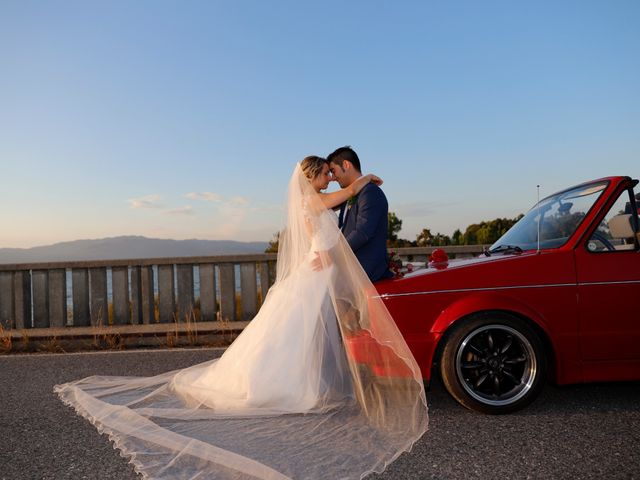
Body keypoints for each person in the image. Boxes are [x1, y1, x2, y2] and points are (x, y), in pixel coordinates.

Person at [54, 157, 427, 480]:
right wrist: (363, 180)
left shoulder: (312, 200)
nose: (330, 178)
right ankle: (289, 386)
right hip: (317, 272)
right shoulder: (312, 200)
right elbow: (343, 199)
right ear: (311, 177)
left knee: (305, 333)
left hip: (320, 271)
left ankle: (313, 382)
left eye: (333, 173)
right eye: (325, 174)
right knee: (297, 333)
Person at [327, 146, 394, 282]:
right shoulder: (350, 194)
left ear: (346, 164)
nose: (333, 178)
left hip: (366, 271)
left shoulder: (370, 192)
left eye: (333, 171)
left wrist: (332, 254)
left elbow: (362, 232)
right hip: (349, 271)